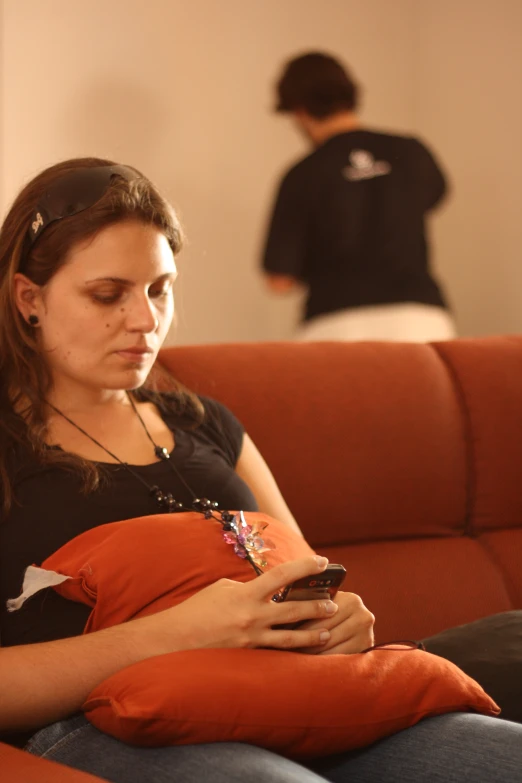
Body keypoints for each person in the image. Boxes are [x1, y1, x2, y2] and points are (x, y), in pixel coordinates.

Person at [0, 158, 520, 783]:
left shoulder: (206, 422)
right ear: (29, 298)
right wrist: (174, 635)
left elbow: (308, 574)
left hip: (295, 698)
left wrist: (341, 620)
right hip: (102, 725)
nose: (145, 321)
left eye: (160, 289)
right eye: (107, 295)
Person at [262, 52, 457, 343]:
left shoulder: (301, 175)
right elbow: (435, 198)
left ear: (299, 111)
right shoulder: (412, 152)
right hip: (421, 322)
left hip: (335, 324)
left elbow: (278, 281)